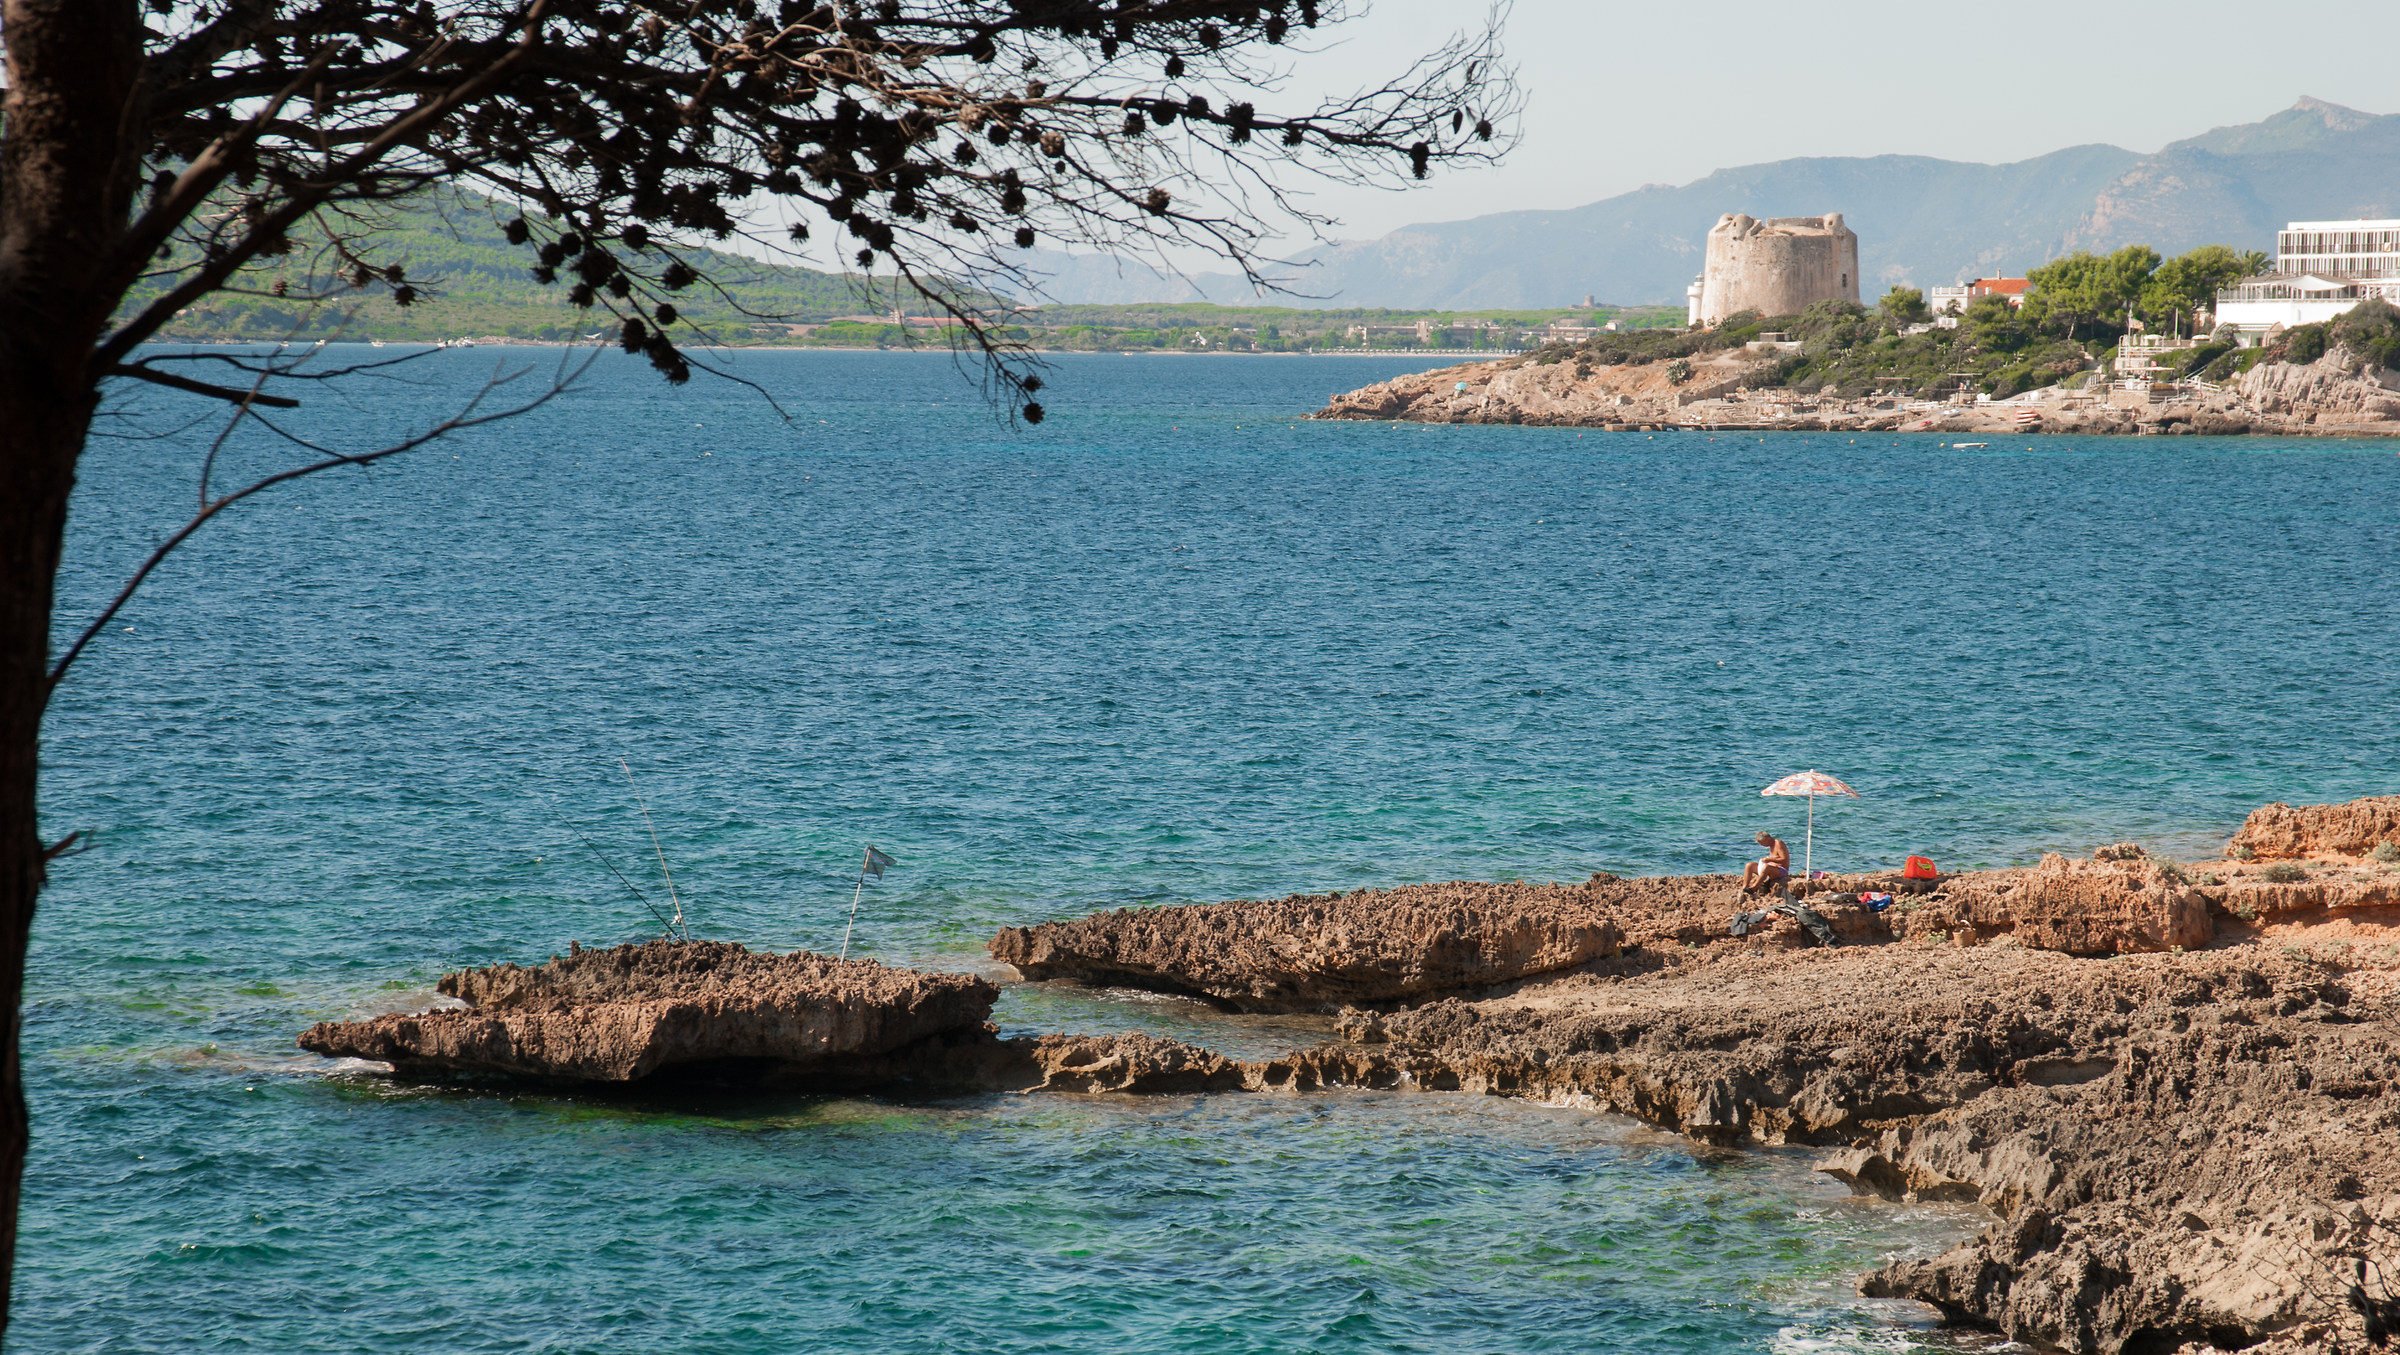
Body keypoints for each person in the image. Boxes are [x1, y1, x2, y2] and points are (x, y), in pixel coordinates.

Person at [1741, 831, 1790, 896]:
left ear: (1767, 839)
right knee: (1749, 865)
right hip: (1772, 868)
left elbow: (1784, 859)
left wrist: (1769, 859)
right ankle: (1744, 887)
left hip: (1781, 871)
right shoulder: (1771, 845)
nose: (1761, 845)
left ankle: (1754, 888)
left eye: (1762, 843)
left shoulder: (1778, 843)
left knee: (1767, 867)